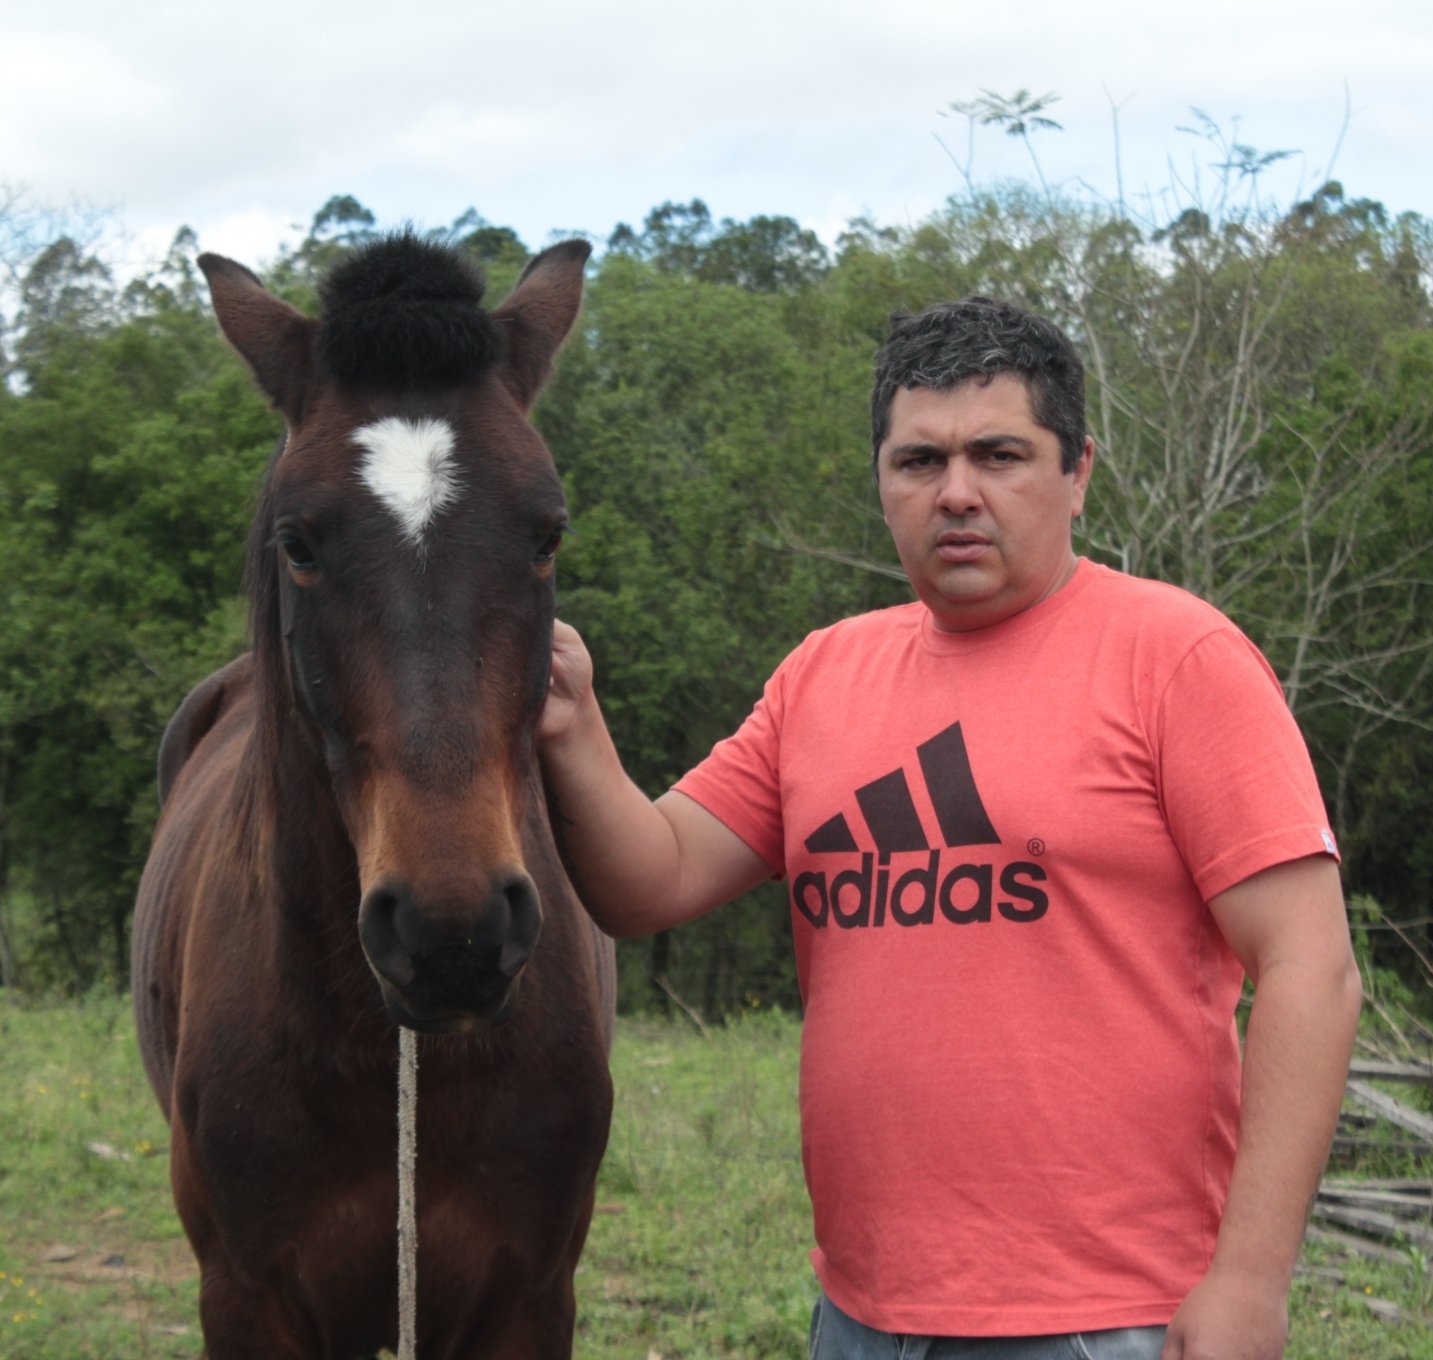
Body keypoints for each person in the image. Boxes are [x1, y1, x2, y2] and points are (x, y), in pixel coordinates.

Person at [536, 296, 1362, 1360]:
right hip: (864, 1314)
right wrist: (573, 722)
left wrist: (1250, 1280)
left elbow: (1310, 966)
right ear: (881, 481)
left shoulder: (1178, 659)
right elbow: (651, 879)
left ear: (1078, 472)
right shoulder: (823, 675)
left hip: (1109, 1317)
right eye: (919, 461)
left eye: (1001, 454)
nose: (958, 493)